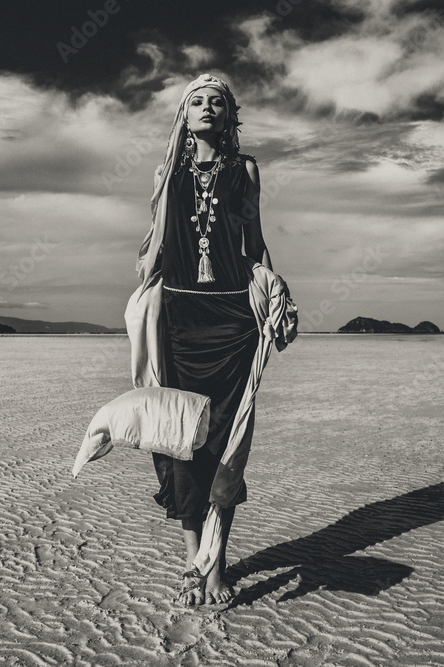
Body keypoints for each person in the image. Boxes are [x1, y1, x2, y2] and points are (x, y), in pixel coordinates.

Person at [144, 74, 273, 606]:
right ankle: (191, 558)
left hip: (231, 319)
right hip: (179, 319)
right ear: (183, 115)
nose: (206, 108)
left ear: (229, 116)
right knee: (182, 439)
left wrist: (274, 296)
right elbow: (155, 246)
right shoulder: (165, 174)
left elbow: (255, 241)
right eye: (196, 101)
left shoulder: (245, 171)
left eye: (216, 102)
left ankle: (216, 563)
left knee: (225, 442)